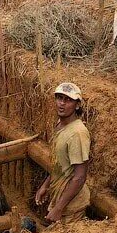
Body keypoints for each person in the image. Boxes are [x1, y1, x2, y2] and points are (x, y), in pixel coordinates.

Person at [35, 82, 90, 224]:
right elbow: (60, 164)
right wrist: (46, 185)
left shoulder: (77, 134)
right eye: (59, 98)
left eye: (68, 100)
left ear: (77, 105)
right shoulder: (60, 124)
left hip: (71, 206)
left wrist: (59, 208)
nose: (62, 103)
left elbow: (79, 176)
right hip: (61, 197)